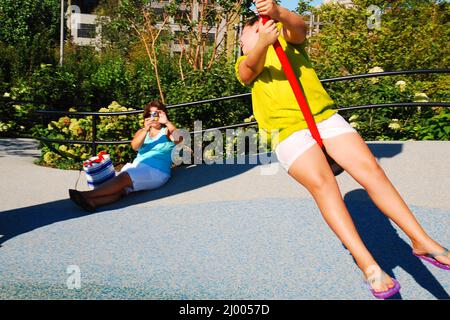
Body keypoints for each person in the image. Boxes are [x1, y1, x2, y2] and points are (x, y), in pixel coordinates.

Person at [236, 0, 449, 299]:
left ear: (264, 25)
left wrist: (279, 13)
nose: (243, 41)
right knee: (325, 186)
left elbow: (299, 28)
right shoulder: (247, 60)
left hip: (324, 117)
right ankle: (369, 266)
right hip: (286, 131)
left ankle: (421, 240)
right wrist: (260, 44)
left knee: (371, 170)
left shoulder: (290, 45)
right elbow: (248, 70)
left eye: (246, 34)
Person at [69, 100, 181, 212]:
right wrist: (146, 129)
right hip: (138, 166)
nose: (155, 117)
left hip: (156, 171)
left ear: (163, 114)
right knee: (121, 190)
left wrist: (167, 122)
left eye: (158, 113)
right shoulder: (143, 131)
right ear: (147, 116)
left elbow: (180, 140)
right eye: (152, 114)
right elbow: (135, 146)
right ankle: (93, 202)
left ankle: (86, 195)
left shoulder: (167, 131)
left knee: (123, 178)